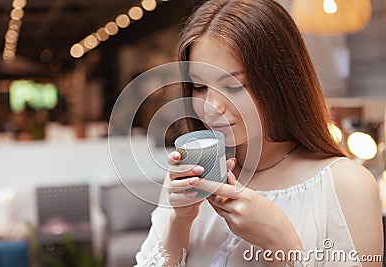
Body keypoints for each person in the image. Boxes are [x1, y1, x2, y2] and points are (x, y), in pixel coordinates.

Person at [134, 0, 383, 266]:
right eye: (199, 86)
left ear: (281, 82)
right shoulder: (191, 178)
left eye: (232, 86)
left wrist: (280, 241)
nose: (211, 107)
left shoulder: (346, 185)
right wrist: (179, 221)